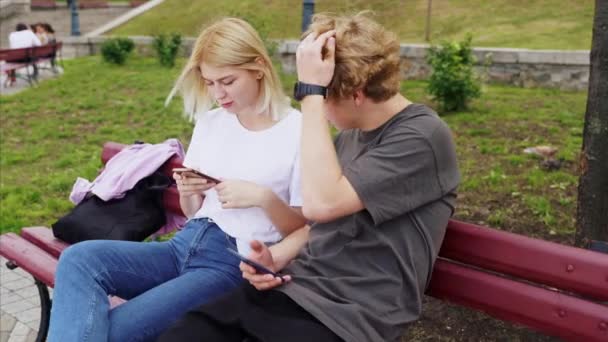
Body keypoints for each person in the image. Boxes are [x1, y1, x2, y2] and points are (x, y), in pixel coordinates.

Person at [157, 12, 460, 342]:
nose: (318, 114)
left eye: (321, 100)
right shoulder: (349, 138)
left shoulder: (422, 137)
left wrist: (312, 91)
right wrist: (277, 256)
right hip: (296, 289)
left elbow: (321, 206)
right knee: (185, 333)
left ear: (356, 93)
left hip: (352, 314)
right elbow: (319, 226)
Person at [47, 17, 307, 342]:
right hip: (183, 245)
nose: (217, 94)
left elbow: (302, 229)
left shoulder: (297, 130)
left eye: (227, 81)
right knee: (79, 260)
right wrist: (189, 192)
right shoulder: (213, 121)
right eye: (209, 83)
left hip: (229, 264)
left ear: (258, 67)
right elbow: (191, 212)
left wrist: (263, 198)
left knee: (112, 332)